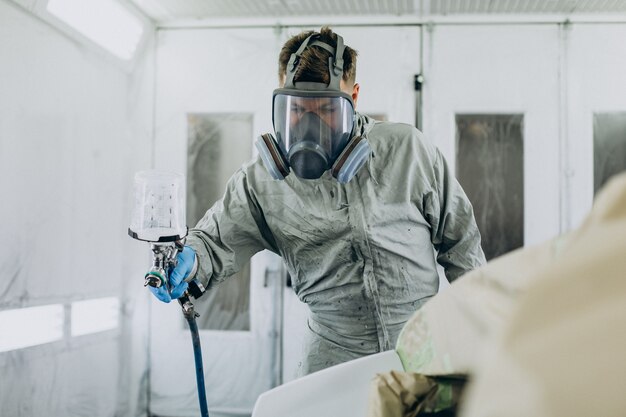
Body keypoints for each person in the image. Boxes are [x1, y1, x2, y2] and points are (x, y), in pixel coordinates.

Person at [150, 26, 486, 375]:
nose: (308, 124)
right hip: (332, 350)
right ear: (278, 101)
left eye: (325, 109)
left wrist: (480, 327)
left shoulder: (408, 151)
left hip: (422, 342)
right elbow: (214, 241)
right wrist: (189, 261)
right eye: (296, 109)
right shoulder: (260, 181)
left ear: (353, 98)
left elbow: (462, 242)